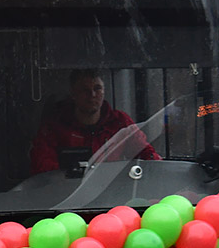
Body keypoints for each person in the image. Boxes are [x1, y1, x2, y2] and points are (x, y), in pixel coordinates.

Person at [30, 69, 159, 174]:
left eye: (97, 88)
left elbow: (146, 155)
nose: (92, 95)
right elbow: (41, 167)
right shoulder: (56, 126)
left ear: (104, 92)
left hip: (111, 193)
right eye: (85, 90)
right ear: (73, 94)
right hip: (66, 195)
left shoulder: (120, 122)